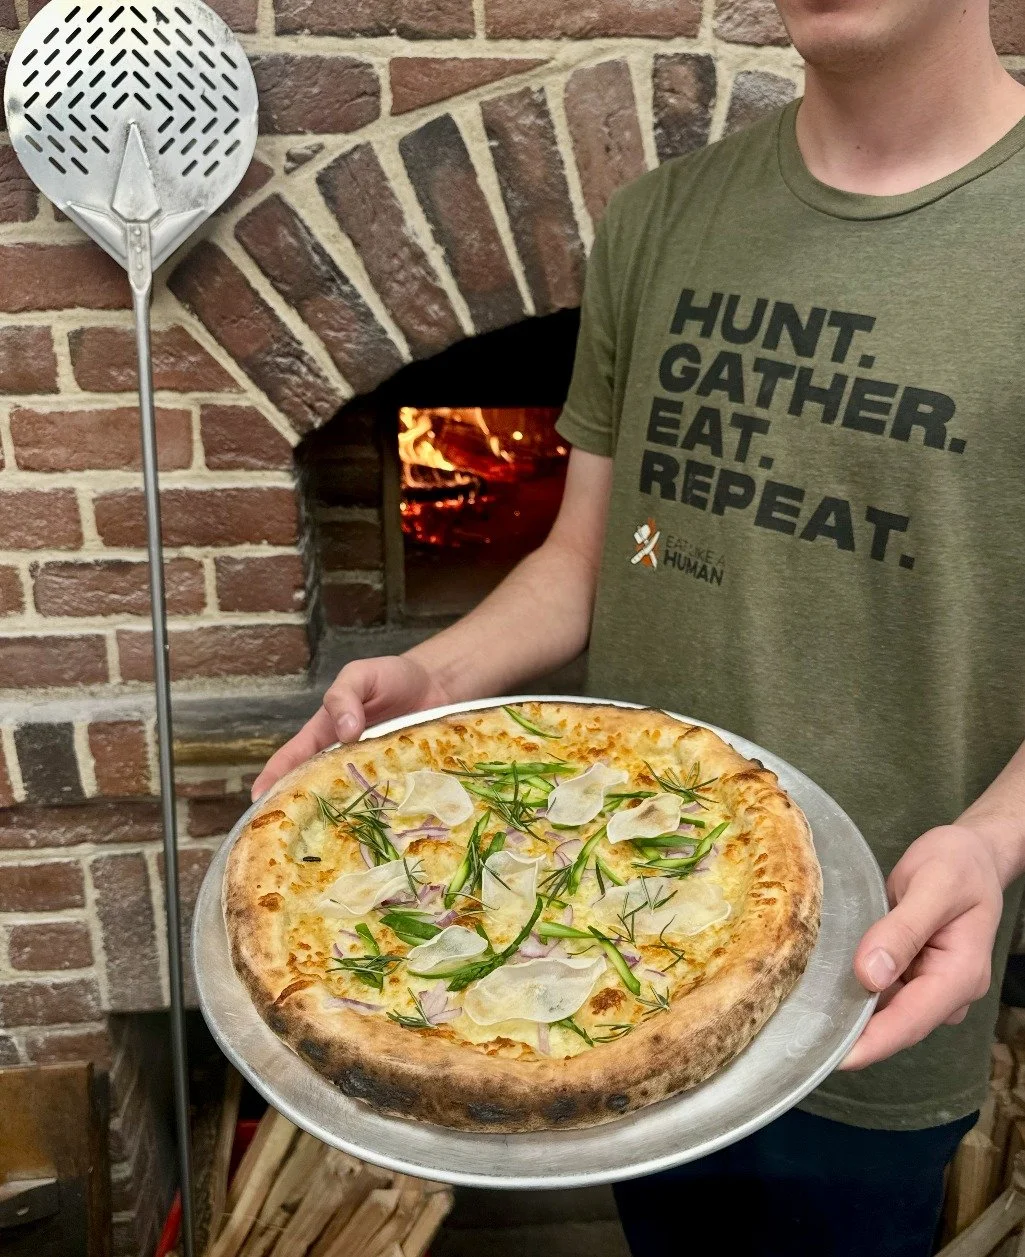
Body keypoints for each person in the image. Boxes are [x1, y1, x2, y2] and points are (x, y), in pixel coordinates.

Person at [252, 0, 1025, 1252]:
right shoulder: (659, 221)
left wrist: (989, 849)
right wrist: (424, 675)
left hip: (878, 975)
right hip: (603, 966)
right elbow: (582, 564)